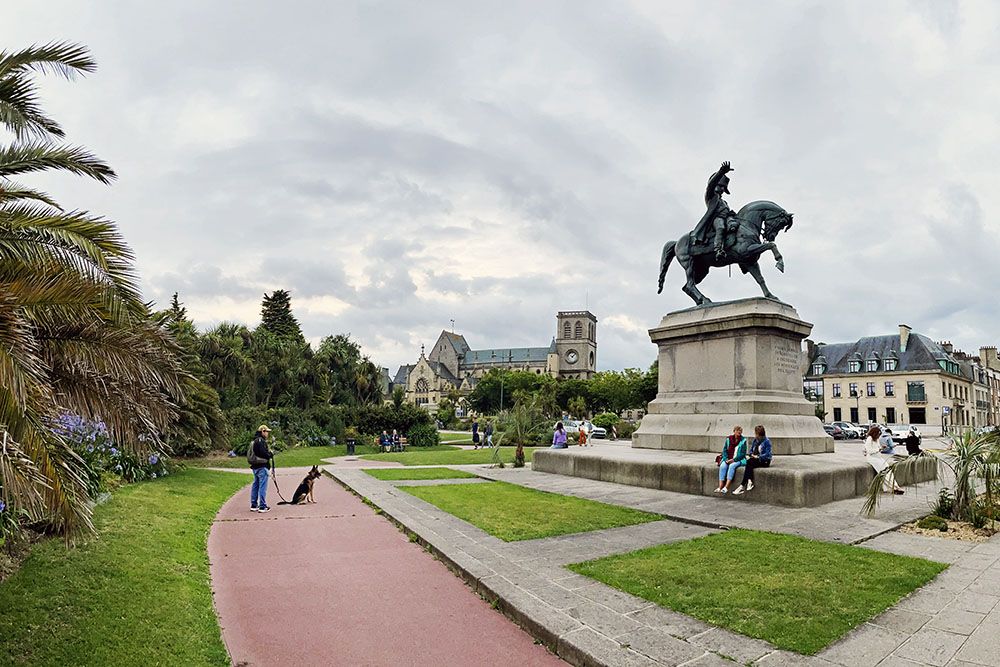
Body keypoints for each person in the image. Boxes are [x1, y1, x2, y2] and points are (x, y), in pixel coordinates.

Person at [691, 161, 739, 261]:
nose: (722, 189)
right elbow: (711, 185)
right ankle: (718, 250)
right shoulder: (711, 196)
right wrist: (721, 172)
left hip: (727, 219)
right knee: (720, 227)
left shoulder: (724, 202)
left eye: (723, 187)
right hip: (716, 219)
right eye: (720, 186)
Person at [864, 425, 904, 495]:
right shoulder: (869, 439)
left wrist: (881, 448)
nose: (879, 436)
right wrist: (879, 449)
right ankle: (893, 487)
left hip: (878, 457)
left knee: (888, 470)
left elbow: (878, 448)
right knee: (883, 472)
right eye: (878, 434)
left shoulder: (876, 439)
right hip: (872, 458)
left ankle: (895, 486)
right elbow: (869, 450)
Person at [734, 425, 771, 495]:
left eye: (756, 434)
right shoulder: (755, 440)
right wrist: (751, 455)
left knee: (749, 463)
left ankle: (743, 485)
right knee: (749, 463)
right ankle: (748, 481)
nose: (756, 435)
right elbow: (751, 450)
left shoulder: (767, 441)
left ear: (761, 434)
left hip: (765, 461)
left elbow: (768, 455)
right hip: (754, 459)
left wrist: (758, 456)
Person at [714, 426, 748, 494]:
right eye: (738, 431)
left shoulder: (743, 440)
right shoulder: (728, 439)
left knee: (732, 466)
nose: (739, 432)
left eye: (740, 431)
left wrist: (733, 460)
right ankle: (720, 486)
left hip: (738, 459)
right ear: (734, 431)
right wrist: (726, 459)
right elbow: (725, 450)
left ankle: (726, 487)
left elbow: (743, 454)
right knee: (723, 466)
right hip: (728, 458)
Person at [249, 425, 274, 512]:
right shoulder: (260, 441)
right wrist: (270, 455)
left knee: (255, 485)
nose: (267, 434)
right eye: (267, 432)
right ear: (263, 431)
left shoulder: (255, 440)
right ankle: (262, 506)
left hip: (255, 466)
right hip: (262, 466)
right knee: (262, 486)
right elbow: (263, 453)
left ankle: (253, 504)